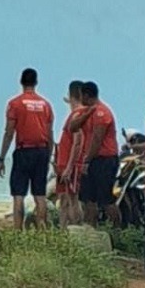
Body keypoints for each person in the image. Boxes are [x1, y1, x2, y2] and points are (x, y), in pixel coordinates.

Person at [0, 68, 54, 229]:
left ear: (21, 82)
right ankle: (42, 230)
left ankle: (18, 230)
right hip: (42, 151)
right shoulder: (46, 105)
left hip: (24, 150)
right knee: (40, 194)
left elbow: (9, 132)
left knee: (18, 194)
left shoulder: (15, 104)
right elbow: (50, 134)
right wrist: (48, 155)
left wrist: (2, 157)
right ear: (36, 82)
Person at [69, 82, 120, 226]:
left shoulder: (102, 112)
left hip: (105, 159)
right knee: (87, 197)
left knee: (105, 199)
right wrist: (86, 114)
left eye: (81, 96)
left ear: (86, 95)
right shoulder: (89, 112)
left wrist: (86, 161)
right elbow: (72, 127)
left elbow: (97, 140)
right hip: (93, 159)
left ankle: (117, 228)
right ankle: (90, 227)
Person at [54, 81, 85, 226]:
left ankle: (74, 227)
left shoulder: (77, 115)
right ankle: (63, 228)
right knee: (64, 198)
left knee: (72, 198)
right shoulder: (76, 114)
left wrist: (69, 167)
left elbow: (77, 141)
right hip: (63, 163)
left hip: (69, 164)